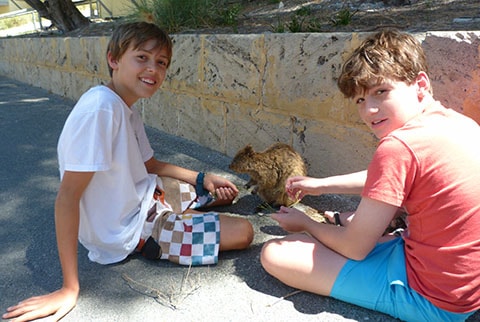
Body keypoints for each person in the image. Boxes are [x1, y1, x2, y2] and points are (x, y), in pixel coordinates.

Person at [3, 21, 253, 322]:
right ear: (114, 59)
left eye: (161, 63)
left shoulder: (122, 104)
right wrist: (69, 288)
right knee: (243, 232)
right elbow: (67, 197)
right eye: (142, 58)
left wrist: (202, 179)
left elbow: (150, 165)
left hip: (147, 194)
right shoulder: (101, 111)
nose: (153, 69)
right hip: (133, 228)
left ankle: (187, 211)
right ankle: (168, 230)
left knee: (219, 194)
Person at [260, 29, 480, 322]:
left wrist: (306, 224)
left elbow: (355, 248)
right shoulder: (459, 123)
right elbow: (392, 178)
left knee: (275, 253)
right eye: (360, 100)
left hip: (435, 300)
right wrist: (321, 186)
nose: (369, 110)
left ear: (420, 84)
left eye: (381, 92)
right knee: (353, 221)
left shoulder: (397, 147)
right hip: (467, 285)